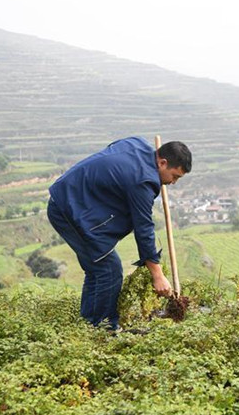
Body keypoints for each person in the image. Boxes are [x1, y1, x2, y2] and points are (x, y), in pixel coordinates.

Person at [47, 136, 192, 329]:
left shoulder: (137, 143)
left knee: (97, 268)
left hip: (72, 197)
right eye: (174, 176)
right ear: (162, 162)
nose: (173, 182)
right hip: (68, 209)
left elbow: (113, 153)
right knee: (109, 269)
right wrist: (157, 275)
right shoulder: (143, 181)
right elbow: (143, 228)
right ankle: (106, 330)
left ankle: (88, 325)